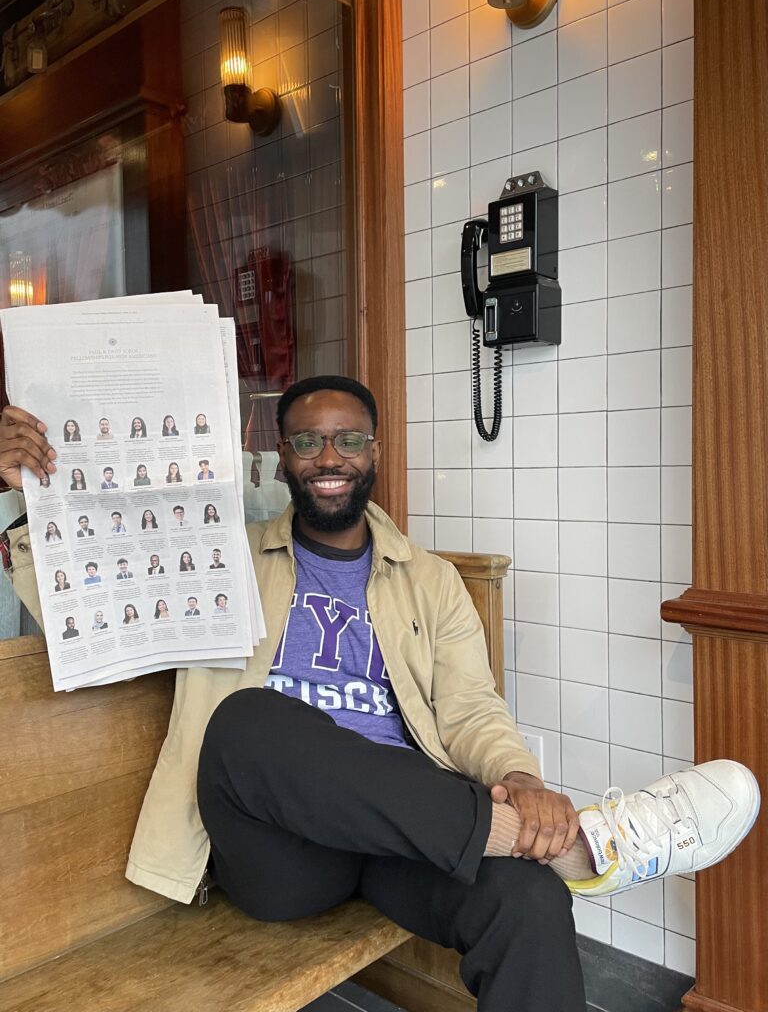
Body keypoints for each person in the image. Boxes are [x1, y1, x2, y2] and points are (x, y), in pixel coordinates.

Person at [0, 383, 760, 1012]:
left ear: (375, 453)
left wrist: (521, 780)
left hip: (409, 838)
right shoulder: (228, 563)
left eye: (348, 440)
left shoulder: (430, 581)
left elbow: (469, 709)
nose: (329, 458)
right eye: (307, 441)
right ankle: (578, 847)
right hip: (283, 855)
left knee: (527, 902)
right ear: (281, 458)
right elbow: (94, 600)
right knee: (246, 722)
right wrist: (23, 499)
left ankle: (540, 853)